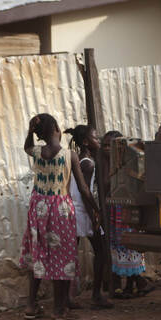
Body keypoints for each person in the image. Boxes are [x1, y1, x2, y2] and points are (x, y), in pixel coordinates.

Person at [19, 114, 99, 320]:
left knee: (38, 253)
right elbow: (83, 188)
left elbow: (27, 147)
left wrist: (30, 131)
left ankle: (30, 305)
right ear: (56, 128)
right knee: (62, 256)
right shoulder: (69, 155)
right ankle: (58, 308)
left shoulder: (37, 152)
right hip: (60, 208)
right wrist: (96, 208)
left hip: (38, 207)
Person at [65, 125, 113, 308]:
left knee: (71, 253)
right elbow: (83, 192)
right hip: (81, 211)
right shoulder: (87, 163)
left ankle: (70, 297)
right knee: (99, 251)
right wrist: (95, 215)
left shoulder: (86, 160)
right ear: (86, 142)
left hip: (78, 211)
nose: (98, 141)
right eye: (95, 138)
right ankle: (95, 295)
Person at [102, 131, 152, 298]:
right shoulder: (105, 164)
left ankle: (134, 283)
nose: (108, 149)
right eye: (105, 145)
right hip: (115, 212)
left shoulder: (129, 162)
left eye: (112, 146)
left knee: (131, 246)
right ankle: (135, 283)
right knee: (120, 246)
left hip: (127, 211)